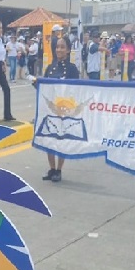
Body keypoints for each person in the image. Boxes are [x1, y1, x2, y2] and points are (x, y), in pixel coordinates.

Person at [41, 36, 80, 183]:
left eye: (63, 47)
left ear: (68, 50)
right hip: (50, 109)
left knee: (61, 140)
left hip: (64, 110)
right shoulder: (50, 68)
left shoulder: (72, 69)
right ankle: (51, 168)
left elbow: (75, 90)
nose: (59, 50)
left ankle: (59, 169)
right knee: (49, 139)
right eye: (57, 47)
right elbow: (44, 88)